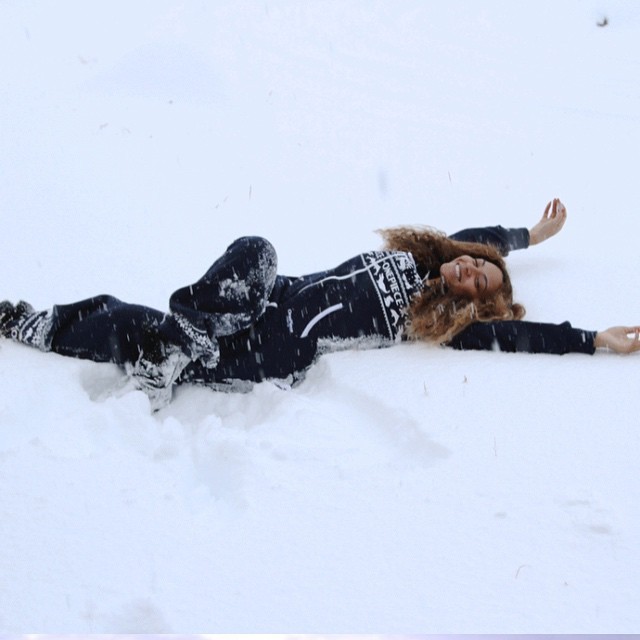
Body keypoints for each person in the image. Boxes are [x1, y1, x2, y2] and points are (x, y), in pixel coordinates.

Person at [2, 198, 639, 409]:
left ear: (469, 302)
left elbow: (521, 337)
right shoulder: (429, 256)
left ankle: (47, 328)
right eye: (476, 262)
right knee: (255, 250)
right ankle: (174, 342)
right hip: (260, 301)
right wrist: (530, 236)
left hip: (275, 349)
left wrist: (592, 339)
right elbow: (486, 239)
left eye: (479, 283)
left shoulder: (437, 319)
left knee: (127, 323)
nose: (472, 270)